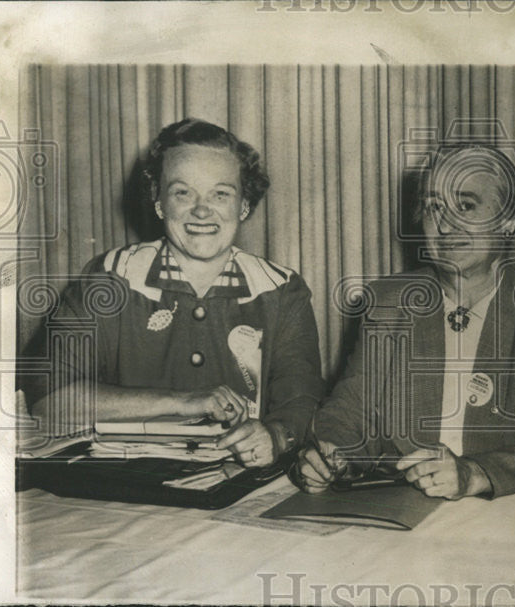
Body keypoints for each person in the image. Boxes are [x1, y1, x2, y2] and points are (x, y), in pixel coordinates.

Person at [294, 143, 515, 499]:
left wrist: (476, 474)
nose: (446, 224)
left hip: (509, 511)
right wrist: (330, 454)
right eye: (434, 207)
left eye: (466, 205)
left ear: (509, 219)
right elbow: (350, 410)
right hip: (400, 505)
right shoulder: (389, 303)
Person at [24, 118, 325, 468]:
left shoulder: (282, 289)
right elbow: (48, 401)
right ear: (159, 202)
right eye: (183, 192)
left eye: (221, 194)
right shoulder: (109, 277)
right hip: (124, 479)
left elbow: (303, 403)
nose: (201, 209)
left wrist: (274, 436)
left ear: (243, 205)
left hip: (236, 482)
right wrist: (183, 401)